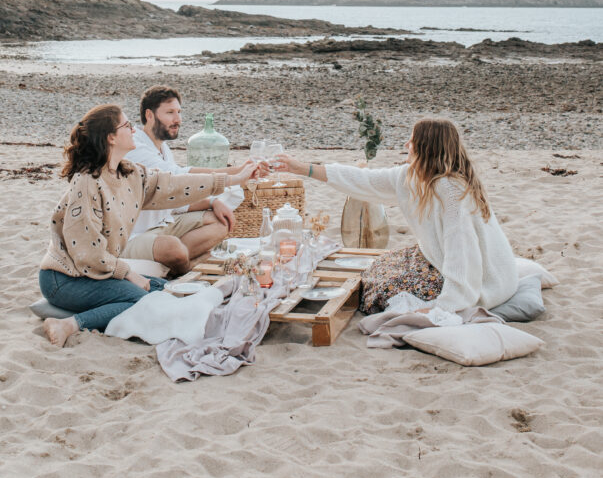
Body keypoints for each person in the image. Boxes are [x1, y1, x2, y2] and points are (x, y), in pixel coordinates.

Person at [39, 103, 256, 347]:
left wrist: (231, 179)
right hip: (66, 279)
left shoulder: (129, 173)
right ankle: (69, 324)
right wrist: (128, 274)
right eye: (126, 125)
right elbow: (87, 253)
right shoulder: (87, 182)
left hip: (99, 273)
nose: (133, 130)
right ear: (111, 137)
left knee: (170, 290)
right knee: (143, 299)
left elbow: (175, 184)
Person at [275, 117, 518, 315]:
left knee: (379, 292)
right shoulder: (412, 176)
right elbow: (364, 180)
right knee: (375, 269)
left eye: (411, 141)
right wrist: (303, 168)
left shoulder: (450, 191)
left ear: (426, 147)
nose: (406, 145)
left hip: (481, 279)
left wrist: (447, 306)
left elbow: (462, 251)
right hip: (436, 258)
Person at [121, 86, 257, 274]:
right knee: (172, 247)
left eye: (179, 112)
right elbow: (178, 177)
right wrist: (237, 173)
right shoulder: (136, 147)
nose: (177, 119)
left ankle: (179, 260)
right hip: (136, 234)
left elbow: (174, 198)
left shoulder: (163, 148)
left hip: (164, 223)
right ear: (149, 115)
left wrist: (212, 201)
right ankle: (186, 264)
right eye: (170, 113)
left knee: (220, 221)